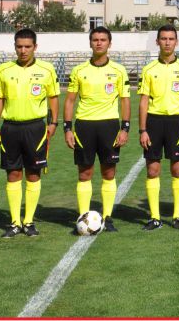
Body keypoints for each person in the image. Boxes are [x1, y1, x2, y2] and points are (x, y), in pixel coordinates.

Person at [0, 29, 59, 238]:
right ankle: (14, 222)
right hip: (10, 128)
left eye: (27, 46)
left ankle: (28, 222)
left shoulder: (47, 69)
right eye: (19, 46)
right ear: (15, 47)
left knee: (33, 173)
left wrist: (53, 122)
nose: (23, 50)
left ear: (35, 47)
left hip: (35, 128)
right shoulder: (4, 69)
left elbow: (53, 97)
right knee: (13, 173)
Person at [64, 26, 130, 232]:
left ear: (109, 43)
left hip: (109, 125)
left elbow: (125, 101)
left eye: (103, 40)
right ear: (90, 43)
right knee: (85, 173)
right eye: (95, 40)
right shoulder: (79, 70)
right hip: (84, 125)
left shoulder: (119, 70)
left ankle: (107, 217)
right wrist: (67, 128)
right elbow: (70, 101)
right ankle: (83, 218)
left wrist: (125, 128)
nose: (99, 43)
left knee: (108, 172)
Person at [137, 25, 179, 230]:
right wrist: (143, 130)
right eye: (163, 38)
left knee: (177, 168)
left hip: (177, 123)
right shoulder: (149, 69)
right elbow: (143, 101)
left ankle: (177, 216)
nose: (167, 42)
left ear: (176, 42)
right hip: (153, 122)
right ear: (157, 42)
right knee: (152, 169)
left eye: (171, 39)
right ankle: (155, 217)